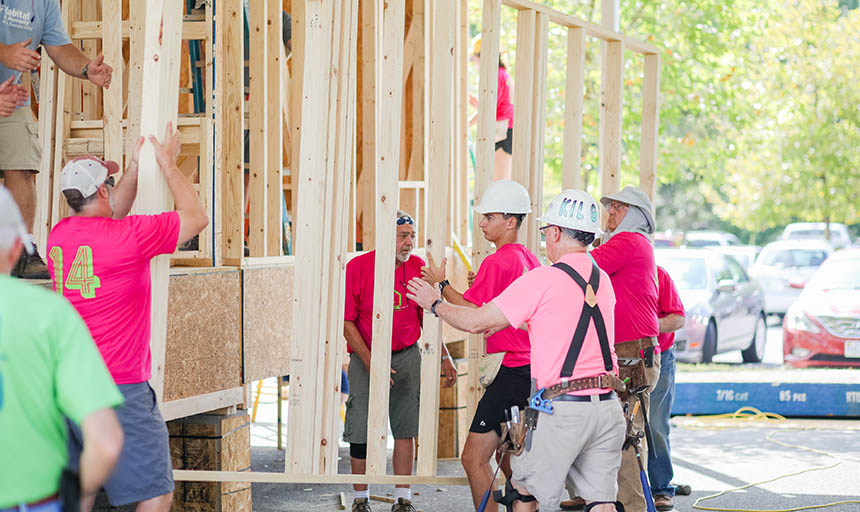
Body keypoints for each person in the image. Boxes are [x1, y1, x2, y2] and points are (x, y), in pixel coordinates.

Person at [407, 189, 627, 512]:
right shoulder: (602, 280)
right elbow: (565, 324)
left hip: (564, 408)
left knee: (524, 494)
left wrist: (435, 302)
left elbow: (474, 320)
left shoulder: (544, 279)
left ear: (554, 232)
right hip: (607, 408)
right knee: (602, 503)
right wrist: (516, 323)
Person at [46, 123, 208, 511]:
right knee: (154, 492)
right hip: (119, 387)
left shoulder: (60, 235)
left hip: (68, 387)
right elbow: (196, 217)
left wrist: (134, 168)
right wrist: (168, 165)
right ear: (101, 190)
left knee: (81, 488)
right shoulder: (130, 238)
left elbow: (110, 212)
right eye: (111, 182)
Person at [0, 184, 124, 512]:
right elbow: (106, 443)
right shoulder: (51, 314)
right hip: (33, 501)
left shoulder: (61, 236)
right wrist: (74, 497)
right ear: (15, 250)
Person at [420, 180, 539, 511]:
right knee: (510, 456)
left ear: (511, 222)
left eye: (490, 217)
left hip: (510, 371)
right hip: (529, 371)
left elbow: (474, 313)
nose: (482, 223)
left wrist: (440, 286)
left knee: (473, 458)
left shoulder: (498, 262)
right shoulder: (529, 258)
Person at [343, 210, 458, 512]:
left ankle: (402, 499)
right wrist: (371, 362)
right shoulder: (358, 267)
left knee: (405, 427)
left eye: (412, 236)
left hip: (407, 355)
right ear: (385, 237)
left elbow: (431, 317)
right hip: (366, 358)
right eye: (402, 236)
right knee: (360, 428)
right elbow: (347, 322)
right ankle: (360, 499)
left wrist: (445, 357)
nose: (409, 243)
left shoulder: (419, 268)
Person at [1, 0, 114, 278]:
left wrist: (88, 69)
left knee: (22, 164)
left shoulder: (45, 2)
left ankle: (22, 252)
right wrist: (4, 53)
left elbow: (59, 47)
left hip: (10, 97)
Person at [586, 185, 659, 512]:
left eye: (618, 207)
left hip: (632, 353)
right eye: (610, 206)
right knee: (619, 435)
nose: (610, 212)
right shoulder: (634, 244)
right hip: (631, 353)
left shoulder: (629, 242)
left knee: (624, 438)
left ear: (637, 215)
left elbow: (582, 267)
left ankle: (631, 507)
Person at [648, 266, 685, 511]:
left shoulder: (658, 275)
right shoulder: (606, 274)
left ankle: (661, 488)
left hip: (658, 354)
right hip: (616, 355)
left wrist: (648, 324)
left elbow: (677, 319)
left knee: (655, 424)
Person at [469, 36, 514, 181]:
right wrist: (478, 105)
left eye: (475, 58)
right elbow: (494, 106)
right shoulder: (500, 74)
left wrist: (466, 124)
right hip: (503, 129)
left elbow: (488, 109)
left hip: (503, 131)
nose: (475, 62)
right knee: (496, 182)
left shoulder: (495, 75)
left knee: (498, 183)